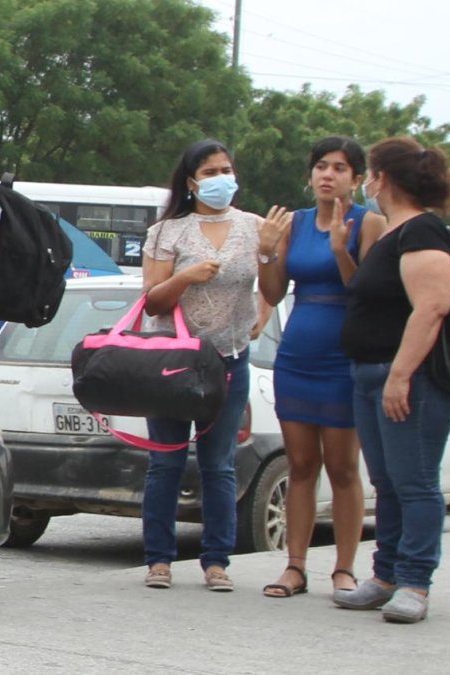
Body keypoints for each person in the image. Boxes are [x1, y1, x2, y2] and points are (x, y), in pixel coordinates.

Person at [336, 138, 450, 623]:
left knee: (415, 484)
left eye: (369, 172)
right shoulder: (394, 232)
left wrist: (400, 376)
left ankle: (415, 581)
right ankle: (385, 574)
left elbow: (431, 307)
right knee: (388, 484)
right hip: (369, 373)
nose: (368, 182)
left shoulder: (423, 232)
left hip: (413, 380)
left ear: (382, 177)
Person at [257, 136, 385, 598]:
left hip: (345, 357)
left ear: (355, 178)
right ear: (310, 175)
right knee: (301, 464)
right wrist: (267, 250)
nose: (328, 175)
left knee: (344, 467)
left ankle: (345, 568)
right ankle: (294, 566)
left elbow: (369, 294)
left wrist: (340, 252)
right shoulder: (295, 222)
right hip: (297, 355)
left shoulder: (370, 223)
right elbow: (272, 294)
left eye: (339, 168)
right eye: (321, 167)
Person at [140, 139, 260, 592]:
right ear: (192, 182)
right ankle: (158, 559)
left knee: (219, 463)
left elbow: (271, 279)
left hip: (229, 358)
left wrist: (263, 310)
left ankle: (216, 560)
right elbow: (152, 300)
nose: (220, 179)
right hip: (176, 359)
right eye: (210, 172)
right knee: (166, 461)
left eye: (226, 169)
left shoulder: (253, 227)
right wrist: (185, 276)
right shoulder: (168, 231)